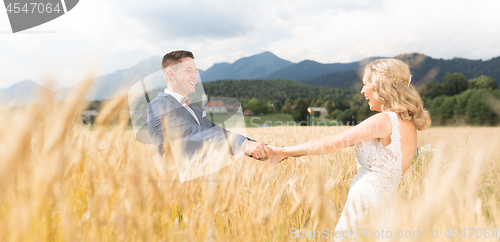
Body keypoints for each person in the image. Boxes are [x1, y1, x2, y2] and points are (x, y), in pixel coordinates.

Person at [267, 59, 431, 238]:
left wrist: (282, 152)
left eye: (365, 84)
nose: (362, 91)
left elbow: (330, 144)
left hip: (365, 205)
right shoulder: (408, 124)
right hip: (382, 205)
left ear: (380, 86)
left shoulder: (384, 121)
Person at [147, 50, 268, 162]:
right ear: (171, 74)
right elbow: (189, 133)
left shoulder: (194, 111)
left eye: (196, 71)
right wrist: (244, 145)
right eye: (188, 70)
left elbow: (219, 133)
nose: (195, 76)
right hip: (175, 182)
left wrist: (268, 150)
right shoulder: (158, 106)